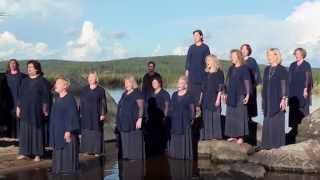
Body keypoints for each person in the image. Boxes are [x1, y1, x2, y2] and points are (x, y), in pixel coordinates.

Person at [16, 60, 50, 162]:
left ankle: (37, 154)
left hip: (36, 110)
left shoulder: (42, 81)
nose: (29, 69)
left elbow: (46, 97)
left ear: (37, 69)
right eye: (28, 67)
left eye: (31, 67)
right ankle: (24, 152)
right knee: (25, 130)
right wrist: (18, 107)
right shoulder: (24, 81)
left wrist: (45, 109)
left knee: (36, 132)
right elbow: (20, 96)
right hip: (25, 109)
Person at [50, 76, 80, 174]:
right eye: (56, 83)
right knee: (58, 156)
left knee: (67, 155)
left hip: (66, 133)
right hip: (57, 132)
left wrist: (68, 130)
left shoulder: (69, 99)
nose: (56, 85)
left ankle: (68, 173)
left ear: (65, 86)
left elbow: (72, 116)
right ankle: (58, 171)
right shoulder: (57, 98)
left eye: (58, 83)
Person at [261, 48, 288, 149]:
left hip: (278, 100)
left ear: (276, 56)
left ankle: (276, 146)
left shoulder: (282, 69)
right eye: (267, 55)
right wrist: (263, 100)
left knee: (276, 122)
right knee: (267, 121)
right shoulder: (267, 69)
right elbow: (264, 85)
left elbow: (284, 84)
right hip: (267, 99)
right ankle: (266, 145)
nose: (268, 57)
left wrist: (284, 98)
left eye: (270, 55)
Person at [224, 49, 251, 144]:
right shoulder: (231, 68)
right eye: (231, 56)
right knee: (231, 115)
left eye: (233, 56)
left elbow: (247, 82)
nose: (231, 58)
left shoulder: (244, 68)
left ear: (238, 57)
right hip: (231, 95)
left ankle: (241, 137)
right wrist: (225, 93)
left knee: (240, 116)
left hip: (240, 95)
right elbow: (227, 82)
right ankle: (233, 135)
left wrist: (247, 95)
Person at [287, 48, 313, 144]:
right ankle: (294, 129)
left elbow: (308, 78)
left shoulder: (306, 65)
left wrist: (306, 89)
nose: (296, 55)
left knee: (302, 109)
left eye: (298, 53)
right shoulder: (292, 65)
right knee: (293, 109)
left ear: (302, 54)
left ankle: (302, 129)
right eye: (295, 54)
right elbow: (289, 79)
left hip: (302, 91)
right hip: (293, 91)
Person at [116, 75, 145, 160]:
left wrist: (140, 118)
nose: (126, 85)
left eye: (128, 83)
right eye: (125, 83)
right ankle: (127, 156)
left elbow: (141, 107)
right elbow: (120, 105)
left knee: (133, 139)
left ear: (132, 83)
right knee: (125, 138)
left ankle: (134, 157)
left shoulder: (138, 93)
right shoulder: (124, 93)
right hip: (123, 121)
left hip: (132, 121)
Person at [80, 71, 107, 156]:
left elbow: (103, 102)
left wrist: (102, 114)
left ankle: (96, 151)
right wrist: (80, 113)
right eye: (89, 78)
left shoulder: (101, 90)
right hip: (86, 114)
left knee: (96, 131)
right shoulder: (84, 89)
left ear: (96, 79)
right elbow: (81, 102)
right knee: (86, 130)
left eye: (92, 78)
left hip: (96, 113)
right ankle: (87, 150)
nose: (90, 79)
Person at [168, 76, 194, 160]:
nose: (179, 85)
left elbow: (192, 110)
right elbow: (171, 108)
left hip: (185, 123)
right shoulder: (174, 94)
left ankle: (184, 158)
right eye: (178, 83)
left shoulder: (189, 95)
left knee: (184, 141)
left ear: (185, 85)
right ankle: (175, 156)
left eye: (181, 83)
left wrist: (191, 119)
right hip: (175, 121)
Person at [199, 54, 224, 140]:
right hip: (206, 98)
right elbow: (202, 89)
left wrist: (218, 99)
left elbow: (221, 87)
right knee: (206, 116)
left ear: (213, 61)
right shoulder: (204, 73)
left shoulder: (219, 72)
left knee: (215, 116)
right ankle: (207, 136)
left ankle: (215, 137)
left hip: (215, 97)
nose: (207, 62)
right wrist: (200, 101)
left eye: (209, 60)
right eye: (206, 61)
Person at [240, 44, 262, 145]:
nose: (243, 51)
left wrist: (256, 84)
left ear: (249, 51)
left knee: (250, 103)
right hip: (240, 88)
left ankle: (249, 119)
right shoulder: (239, 60)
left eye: (245, 49)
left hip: (250, 85)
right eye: (242, 49)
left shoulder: (251, 60)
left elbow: (256, 72)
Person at [144, 76, 170, 157]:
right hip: (151, 120)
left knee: (160, 139)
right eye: (152, 83)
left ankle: (161, 154)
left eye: (155, 82)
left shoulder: (165, 93)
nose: (153, 84)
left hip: (160, 120)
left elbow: (167, 106)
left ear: (159, 83)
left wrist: (164, 117)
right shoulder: (151, 94)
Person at [185, 30, 211, 103]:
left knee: (200, 100)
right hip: (191, 79)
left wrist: (207, 72)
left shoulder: (205, 47)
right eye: (194, 36)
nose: (195, 37)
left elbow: (208, 61)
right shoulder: (191, 48)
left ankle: (201, 112)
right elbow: (187, 62)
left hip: (201, 78)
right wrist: (186, 74)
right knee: (191, 100)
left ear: (201, 36)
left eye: (196, 35)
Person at [5, 59, 27, 138]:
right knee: (10, 119)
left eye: (14, 63)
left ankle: (20, 137)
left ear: (17, 65)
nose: (12, 65)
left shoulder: (22, 76)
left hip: (19, 99)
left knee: (19, 118)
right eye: (11, 63)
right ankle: (10, 137)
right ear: (9, 65)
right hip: (9, 100)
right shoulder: (6, 76)